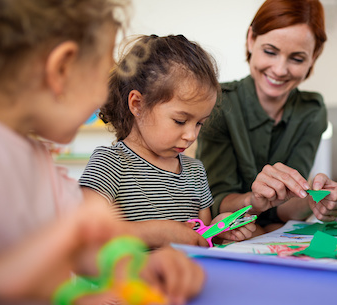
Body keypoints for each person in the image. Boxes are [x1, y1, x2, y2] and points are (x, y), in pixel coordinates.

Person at [0, 1, 204, 305]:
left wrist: (139, 265)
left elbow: (90, 253)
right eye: (102, 76)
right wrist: (64, 236)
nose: (106, 95)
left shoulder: (39, 161)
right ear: (62, 68)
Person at [79, 34, 256, 248]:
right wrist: (155, 232)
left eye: (200, 123)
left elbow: (200, 240)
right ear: (137, 104)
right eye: (180, 121)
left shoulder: (195, 172)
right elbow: (86, 231)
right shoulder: (110, 164)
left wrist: (217, 231)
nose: (191, 135)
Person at [196, 0, 337, 232]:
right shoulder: (218, 103)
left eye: (297, 59)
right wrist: (253, 202)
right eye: (270, 51)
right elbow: (214, 202)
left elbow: (284, 207)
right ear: (250, 40)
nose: (279, 69)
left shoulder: (312, 110)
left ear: (314, 56)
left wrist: (314, 200)